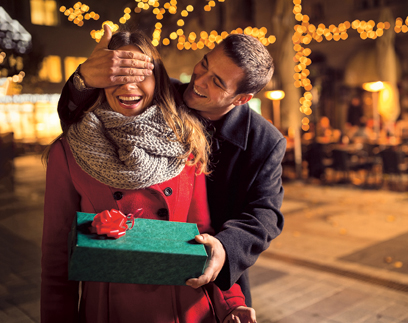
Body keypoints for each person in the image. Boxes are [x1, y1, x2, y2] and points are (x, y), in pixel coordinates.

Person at [58, 24, 286, 306]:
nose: (199, 80)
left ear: (242, 99)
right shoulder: (167, 93)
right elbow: (84, 115)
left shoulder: (265, 141)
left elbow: (265, 213)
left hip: (210, 270)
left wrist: (227, 247)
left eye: (217, 82)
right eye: (204, 64)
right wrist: (84, 78)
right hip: (133, 271)